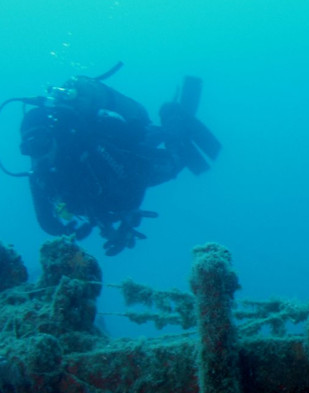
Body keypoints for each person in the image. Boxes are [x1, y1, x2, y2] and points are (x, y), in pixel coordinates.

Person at [3, 63, 220, 255]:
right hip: (117, 185)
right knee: (157, 148)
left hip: (132, 159)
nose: (37, 153)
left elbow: (133, 181)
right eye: (28, 148)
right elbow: (48, 221)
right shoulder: (41, 174)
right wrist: (73, 231)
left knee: (174, 160)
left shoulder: (89, 148)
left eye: (41, 143)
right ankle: (165, 128)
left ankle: (172, 115)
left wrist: (125, 221)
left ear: (54, 137)